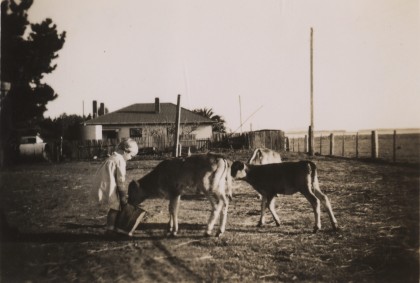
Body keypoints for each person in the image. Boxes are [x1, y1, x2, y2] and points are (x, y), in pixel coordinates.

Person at [95, 138, 138, 235]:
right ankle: (109, 230)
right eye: (131, 156)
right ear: (126, 151)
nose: (131, 158)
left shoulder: (112, 157)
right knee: (115, 207)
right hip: (110, 186)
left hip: (105, 184)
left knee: (115, 206)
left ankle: (113, 226)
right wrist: (123, 195)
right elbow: (120, 180)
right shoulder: (120, 161)